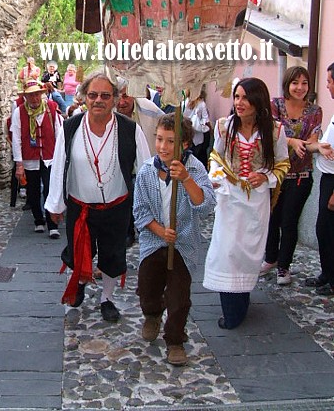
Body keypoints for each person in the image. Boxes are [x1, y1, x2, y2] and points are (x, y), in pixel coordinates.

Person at [45, 72, 150, 322]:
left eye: (105, 95)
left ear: (115, 98)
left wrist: (147, 209)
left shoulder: (130, 130)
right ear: (84, 97)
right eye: (93, 95)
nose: (98, 100)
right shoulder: (70, 127)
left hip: (117, 205)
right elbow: (60, 164)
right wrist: (55, 203)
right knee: (78, 250)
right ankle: (80, 282)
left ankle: (107, 298)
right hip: (81, 206)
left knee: (112, 253)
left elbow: (145, 169)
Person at [203, 77, 290, 329]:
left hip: (256, 200)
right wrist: (217, 177)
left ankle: (241, 300)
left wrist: (264, 175)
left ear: (258, 101)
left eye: (245, 98)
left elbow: (283, 163)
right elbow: (216, 158)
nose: (239, 103)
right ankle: (231, 312)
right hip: (230, 198)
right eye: (237, 97)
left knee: (247, 253)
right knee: (226, 250)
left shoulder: (275, 131)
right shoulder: (223, 126)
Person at [133, 114, 216, 366]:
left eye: (171, 141)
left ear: (185, 144)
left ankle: (175, 339)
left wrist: (186, 180)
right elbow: (140, 211)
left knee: (179, 297)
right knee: (148, 287)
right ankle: (152, 313)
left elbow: (206, 206)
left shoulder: (194, 169)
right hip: (153, 241)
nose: (163, 147)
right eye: (159, 139)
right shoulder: (148, 171)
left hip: (183, 244)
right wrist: (159, 230)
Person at [261, 66, 322, 285]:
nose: (299, 88)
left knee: (289, 221)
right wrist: (293, 141)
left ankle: (284, 267)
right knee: (271, 218)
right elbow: (270, 132)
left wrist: (320, 148)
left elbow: (313, 141)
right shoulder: (275, 105)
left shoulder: (315, 111)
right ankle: (270, 258)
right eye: (295, 83)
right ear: (287, 84)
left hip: (301, 175)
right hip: (275, 173)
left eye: (304, 83)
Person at [116, 76, 164, 247]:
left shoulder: (150, 110)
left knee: (145, 200)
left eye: (126, 96)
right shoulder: (110, 114)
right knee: (123, 201)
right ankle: (127, 232)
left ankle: (147, 231)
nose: (122, 102)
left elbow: (166, 127)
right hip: (120, 167)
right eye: (118, 96)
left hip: (146, 164)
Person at [11, 79, 63, 237]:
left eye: (37, 94)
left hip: (49, 157)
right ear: (26, 97)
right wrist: (19, 164)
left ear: (41, 94)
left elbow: (59, 135)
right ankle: (39, 220)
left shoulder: (52, 108)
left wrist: (60, 158)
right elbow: (17, 138)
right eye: (31, 95)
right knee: (33, 191)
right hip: (30, 159)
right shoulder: (19, 112)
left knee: (50, 189)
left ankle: (52, 224)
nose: (34, 98)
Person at [304, 62, 334, 295]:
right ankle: (327, 272)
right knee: (323, 229)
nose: (327, 86)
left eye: (330, 81)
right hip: (327, 175)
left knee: (327, 229)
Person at [182, 87, 212, 169]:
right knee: (199, 158)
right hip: (198, 137)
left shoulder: (184, 103)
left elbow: (181, 118)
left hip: (187, 135)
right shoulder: (201, 104)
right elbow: (206, 120)